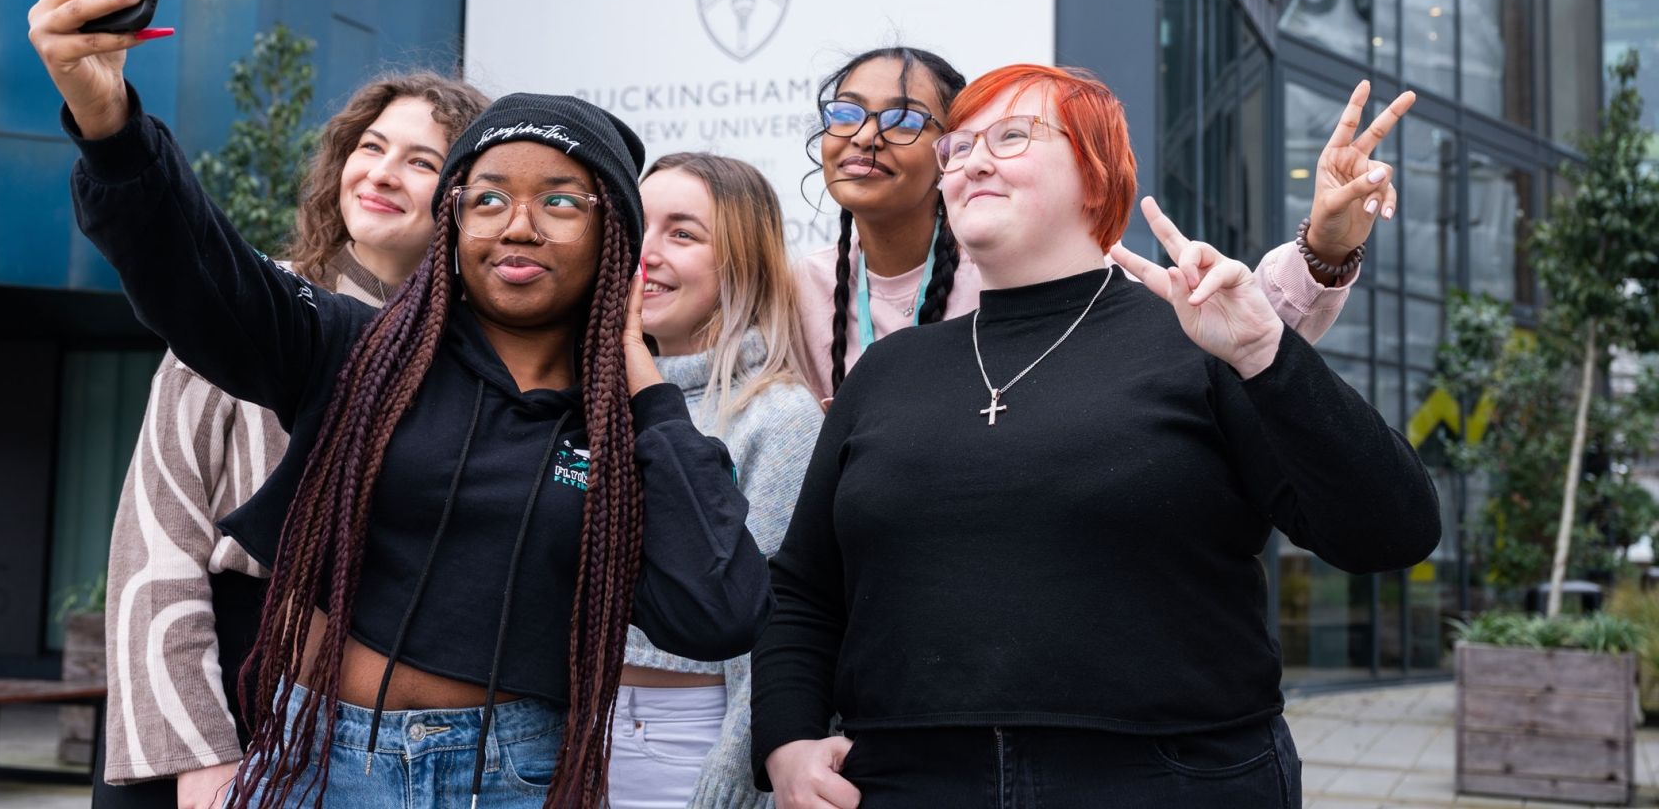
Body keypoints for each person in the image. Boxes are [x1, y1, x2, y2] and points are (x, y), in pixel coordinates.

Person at [28, 0, 770, 809]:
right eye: (486, 197)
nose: (518, 224)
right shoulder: (362, 349)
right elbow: (199, 273)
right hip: (314, 758)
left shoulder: (623, 426)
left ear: (616, 240)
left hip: (512, 777)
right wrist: (108, 119)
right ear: (452, 224)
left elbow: (718, 609)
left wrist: (645, 390)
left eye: (560, 201)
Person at [753, 64, 1440, 809]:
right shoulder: (889, 371)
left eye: (1011, 137)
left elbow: (1390, 531)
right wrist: (787, 741)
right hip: (910, 779)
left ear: (1095, 175)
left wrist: (1265, 353)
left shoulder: (1200, 341)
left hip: (1169, 778)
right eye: (959, 147)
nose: (974, 161)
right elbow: (804, 589)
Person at [96, 72, 489, 809]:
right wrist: (199, 750)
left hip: (383, 718)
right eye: (370, 147)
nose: (382, 173)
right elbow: (157, 541)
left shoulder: (479, 360)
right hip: (225, 678)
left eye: (421, 161)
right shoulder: (248, 309)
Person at [796, 48, 1409, 401]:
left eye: (904, 120)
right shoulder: (793, 291)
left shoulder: (1034, 273)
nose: (865, 137)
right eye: (845, 113)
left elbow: (1234, 325)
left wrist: (1325, 246)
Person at [607, 154, 823, 809]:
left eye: (683, 233)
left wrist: (731, 784)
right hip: (568, 734)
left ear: (742, 263)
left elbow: (776, 636)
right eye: (637, 227)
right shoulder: (587, 402)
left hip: (688, 743)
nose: (647, 253)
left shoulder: (779, 417)